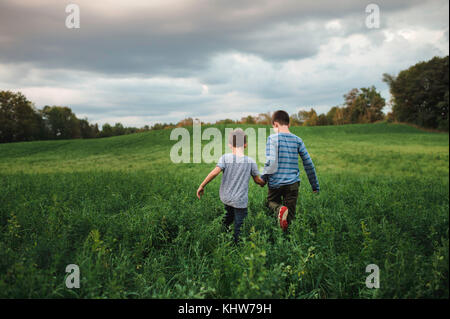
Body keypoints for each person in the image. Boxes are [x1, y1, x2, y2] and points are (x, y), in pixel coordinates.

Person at [197, 128, 265, 243]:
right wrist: (264, 181)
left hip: (226, 197)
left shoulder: (225, 158)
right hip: (240, 200)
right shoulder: (250, 161)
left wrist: (202, 185)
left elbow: (215, 172)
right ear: (245, 145)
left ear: (230, 145)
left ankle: (222, 234)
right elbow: (258, 181)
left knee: (228, 215)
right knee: (239, 224)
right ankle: (237, 244)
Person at [262, 110, 320, 231]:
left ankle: (278, 210)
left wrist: (263, 178)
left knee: (271, 202)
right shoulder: (298, 140)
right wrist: (314, 186)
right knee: (290, 218)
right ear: (289, 124)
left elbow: (270, 162)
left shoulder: (272, 139)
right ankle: (288, 237)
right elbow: (308, 163)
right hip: (292, 185)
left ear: (275, 124)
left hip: (275, 184)